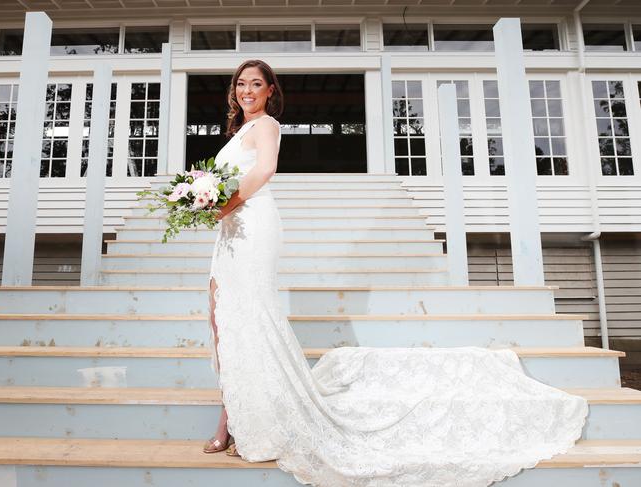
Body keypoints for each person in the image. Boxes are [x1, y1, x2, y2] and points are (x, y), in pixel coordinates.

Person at [201, 59, 589, 487]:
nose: (247, 90)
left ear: (270, 90)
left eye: (257, 84)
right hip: (230, 230)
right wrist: (205, 200)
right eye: (242, 84)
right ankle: (238, 414)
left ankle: (239, 425)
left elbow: (265, 170)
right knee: (224, 325)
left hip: (251, 224)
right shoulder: (237, 130)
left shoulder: (267, 126)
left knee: (249, 323)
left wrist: (224, 203)